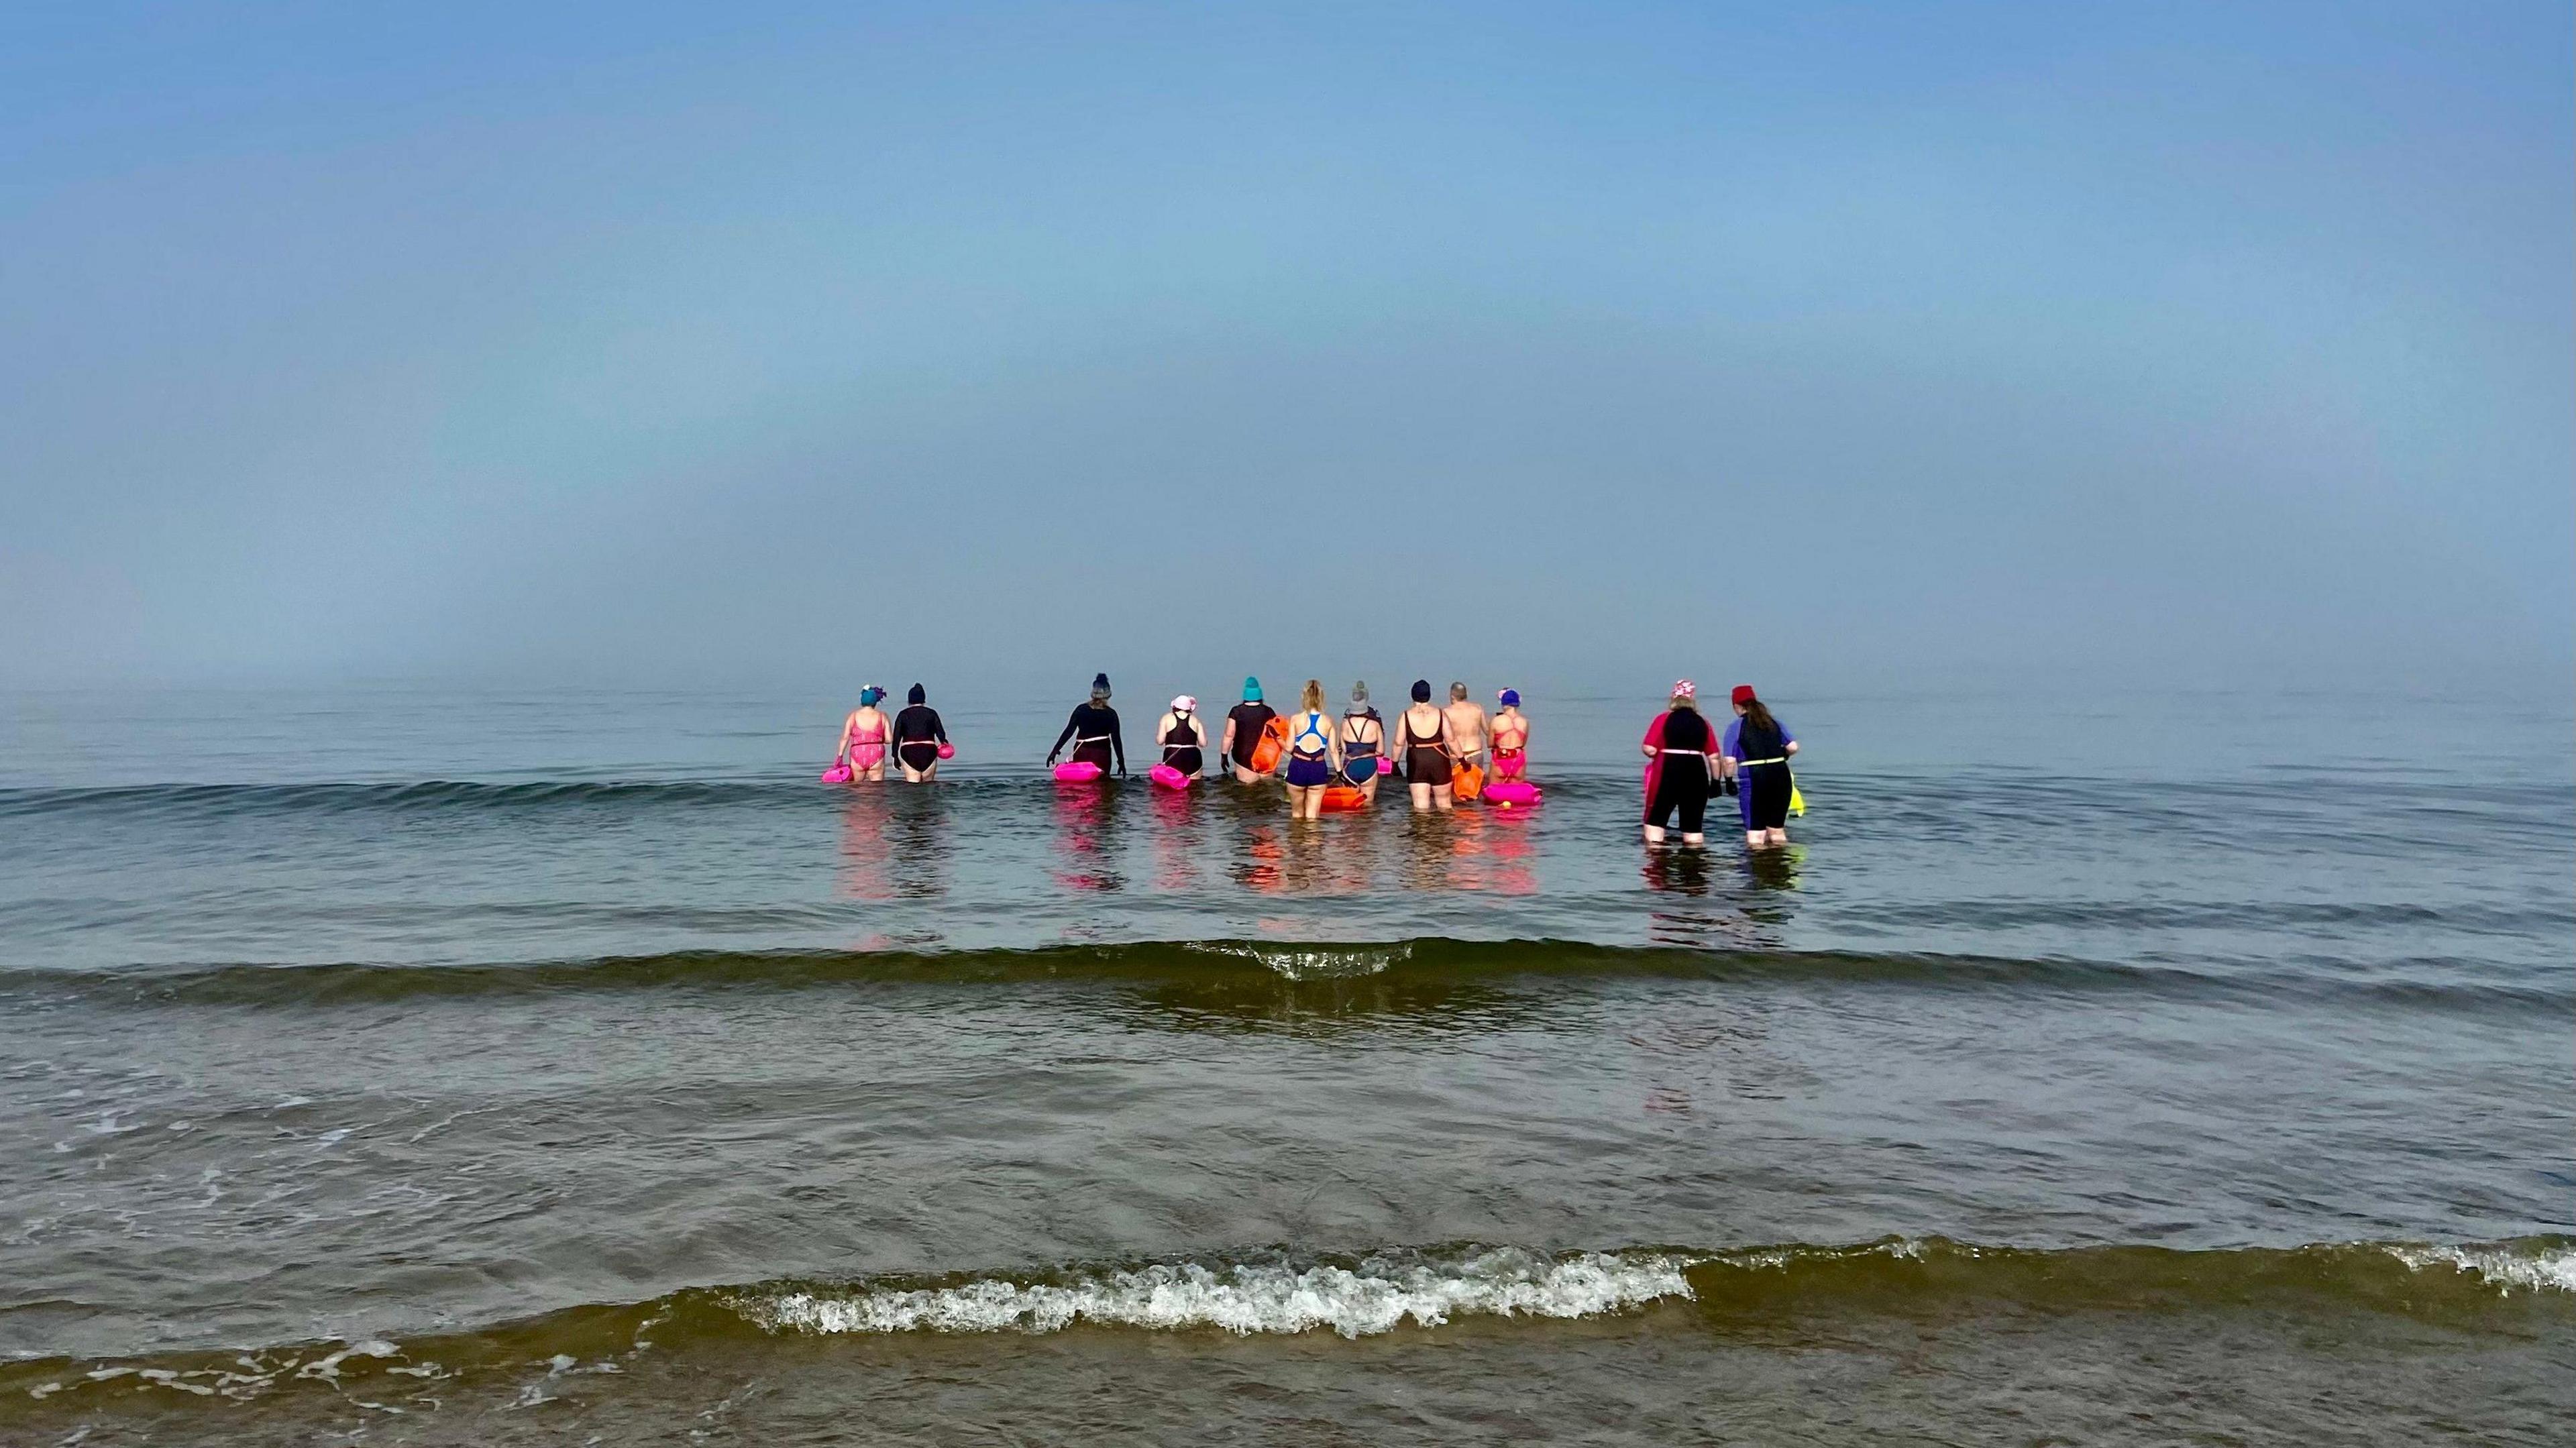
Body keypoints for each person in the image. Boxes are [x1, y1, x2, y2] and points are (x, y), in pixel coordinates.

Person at [1720, 684, 1800, 848]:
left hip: (1755, 779)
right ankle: (1779, 867)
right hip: (1780, 776)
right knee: (1777, 831)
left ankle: (1757, 869)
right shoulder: (1774, 723)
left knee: (1756, 834)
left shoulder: (1736, 727)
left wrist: (1728, 781)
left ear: (1736, 706)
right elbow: (1793, 747)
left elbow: (1729, 761)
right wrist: (1782, 755)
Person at [1640, 680, 1717, 847]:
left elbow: (1650, 749)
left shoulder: (1664, 719)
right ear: (1692, 700)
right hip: (1697, 771)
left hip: (1670, 770)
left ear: (1673, 698)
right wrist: (1716, 781)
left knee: (1657, 819)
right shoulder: (1703, 722)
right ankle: (1693, 864)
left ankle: (1657, 861)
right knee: (1693, 825)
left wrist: (1660, 750)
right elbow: (1714, 756)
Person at [1281, 679, 1341, 820]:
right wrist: (1340, 772)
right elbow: (1333, 751)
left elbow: (1289, 748)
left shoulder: (1296, 719)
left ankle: (1296, 840)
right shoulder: (1329, 721)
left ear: (1304, 697)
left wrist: (1278, 740)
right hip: (1317, 769)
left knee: (1296, 815)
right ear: (1321, 698)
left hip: (1298, 767)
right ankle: (1313, 841)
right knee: (1313, 817)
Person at [1047, 673, 1126, 775]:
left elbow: (1068, 732)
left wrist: (1055, 751)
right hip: (1102, 755)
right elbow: (1116, 740)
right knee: (1104, 784)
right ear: (1108, 694)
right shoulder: (1111, 714)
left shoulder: (1081, 710)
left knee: (1082, 784)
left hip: (1082, 752)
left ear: (1093, 693)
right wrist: (1121, 762)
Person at [1394, 679, 1455, 812]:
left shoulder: (1406, 716)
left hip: (1417, 761)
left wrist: (1395, 764)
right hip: (1439, 758)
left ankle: (1423, 831)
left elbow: (1399, 743)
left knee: (1420, 806)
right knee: (1445, 803)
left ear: (1412, 695)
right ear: (1429, 695)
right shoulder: (1440, 713)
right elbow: (1451, 740)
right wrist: (1462, 760)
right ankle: (1448, 832)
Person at [1222, 677, 1279, 784]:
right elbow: (1276, 736)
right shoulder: (1269, 712)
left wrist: (1224, 756)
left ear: (1245, 696)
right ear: (1260, 696)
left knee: (1247, 789)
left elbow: (1229, 735)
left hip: (1243, 755)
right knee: (1268, 787)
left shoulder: (1236, 712)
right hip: (1266, 755)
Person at [834, 685, 894, 783]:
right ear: (875, 701)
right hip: (876, 752)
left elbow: (845, 738)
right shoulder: (882, 716)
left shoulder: (853, 716)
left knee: (857, 788)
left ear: (862, 700)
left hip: (858, 753)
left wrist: (840, 756)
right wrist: (878, 739)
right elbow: (889, 740)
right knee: (877, 788)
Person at [1339, 681, 1385, 801]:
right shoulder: (1375, 724)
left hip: (1350, 765)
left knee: (1349, 806)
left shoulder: (1345, 724)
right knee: (1368, 806)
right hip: (1368, 765)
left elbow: (1343, 749)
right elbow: (1381, 751)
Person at [894, 683, 949, 782]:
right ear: (924, 700)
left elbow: (897, 737)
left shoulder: (903, 715)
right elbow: (941, 734)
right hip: (929, 751)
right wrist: (944, 742)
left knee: (912, 788)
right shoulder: (932, 713)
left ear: (909, 700)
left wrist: (895, 756)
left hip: (909, 752)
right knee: (929, 786)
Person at [1442, 682, 1490, 773]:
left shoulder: (1447, 712)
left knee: (1456, 785)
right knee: (1476, 784)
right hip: (1476, 753)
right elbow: (1487, 731)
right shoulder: (1478, 709)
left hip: (1456, 756)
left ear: (1452, 696)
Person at [1157, 695, 1208, 775]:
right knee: (1196, 786)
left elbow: (1160, 741)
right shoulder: (1196, 720)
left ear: (1174, 707)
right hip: (1193, 756)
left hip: (1173, 756)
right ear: (1189, 709)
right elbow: (1203, 743)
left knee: (1172, 785)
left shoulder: (1166, 718)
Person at [1491, 689, 1529, 781]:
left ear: (1503, 704)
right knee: (1516, 792)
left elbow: (1490, 744)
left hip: (1500, 757)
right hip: (1517, 758)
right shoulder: (1524, 722)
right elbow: (1523, 744)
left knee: (1494, 791)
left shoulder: (1496, 721)